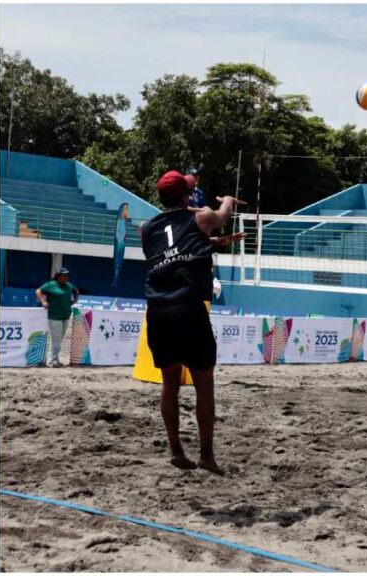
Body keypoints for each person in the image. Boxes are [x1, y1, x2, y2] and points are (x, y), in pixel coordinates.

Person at [141, 170, 243, 475]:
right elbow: (220, 215)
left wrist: (214, 241)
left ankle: (175, 449)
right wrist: (226, 200)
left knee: (170, 384)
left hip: (158, 310)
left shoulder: (146, 229)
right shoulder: (202, 217)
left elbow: (175, 249)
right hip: (188, 308)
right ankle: (207, 455)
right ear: (187, 195)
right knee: (204, 386)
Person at [36, 267, 79, 367]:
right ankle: (53, 360)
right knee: (56, 339)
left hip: (66, 315)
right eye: (64, 275)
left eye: (67, 275)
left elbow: (76, 290)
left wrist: (75, 300)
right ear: (58, 276)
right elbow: (38, 291)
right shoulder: (51, 285)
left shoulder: (68, 285)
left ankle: (56, 359)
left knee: (59, 339)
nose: (66, 277)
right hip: (54, 316)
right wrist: (43, 302)